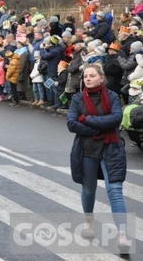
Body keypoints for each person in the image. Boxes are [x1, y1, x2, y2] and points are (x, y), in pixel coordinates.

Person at [66, 63, 131, 253]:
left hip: (111, 148)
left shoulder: (112, 96)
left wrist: (86, 120)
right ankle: (89, 222)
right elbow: (71, 123)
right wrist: (99, 127)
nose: (87, 78)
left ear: (101, 78)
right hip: (87, 149)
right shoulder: (78, 98)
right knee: (89, 189)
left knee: (115, 190)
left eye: (92, 75)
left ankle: (122, 235)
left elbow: (116, 119)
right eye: (86, 76)